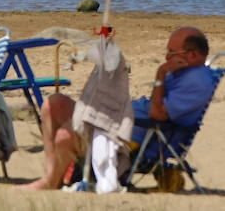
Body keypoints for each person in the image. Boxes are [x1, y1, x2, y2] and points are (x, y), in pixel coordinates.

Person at [23, 27, 214, 191]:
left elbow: (157, 115)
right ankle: (52, 174)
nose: (166, 57)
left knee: (65, 134)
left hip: (120, 136)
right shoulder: (183, 75)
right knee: (54, 103)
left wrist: (160, 73)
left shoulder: (197, 83)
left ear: (191, 55)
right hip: (117, 118)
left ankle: (50, 181)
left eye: (171, 53)